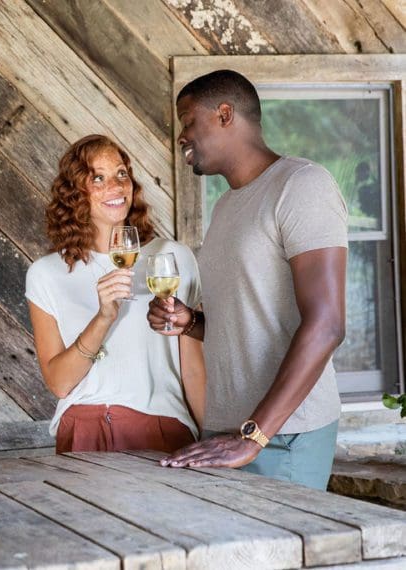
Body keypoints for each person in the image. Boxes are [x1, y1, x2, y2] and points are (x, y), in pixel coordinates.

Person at [148, 70, 348, 490]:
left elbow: (327, 325)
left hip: (281, 436)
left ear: (224, 114)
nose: (181, 136)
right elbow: (247, 320)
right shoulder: (225, 207)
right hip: (226, 433)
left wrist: (254, 436)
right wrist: (193, 323)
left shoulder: (301, 186)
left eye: (187, 120)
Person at [26, 134, 205, 453]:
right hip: (81, 428)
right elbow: (60, 383)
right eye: (98, 178)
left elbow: (192, 367)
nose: (117, 186)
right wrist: (104, 317)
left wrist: (212, 444)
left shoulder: (171, 258)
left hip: (159, 425)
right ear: (74, 193)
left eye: (122, 173)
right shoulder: (46, 273)